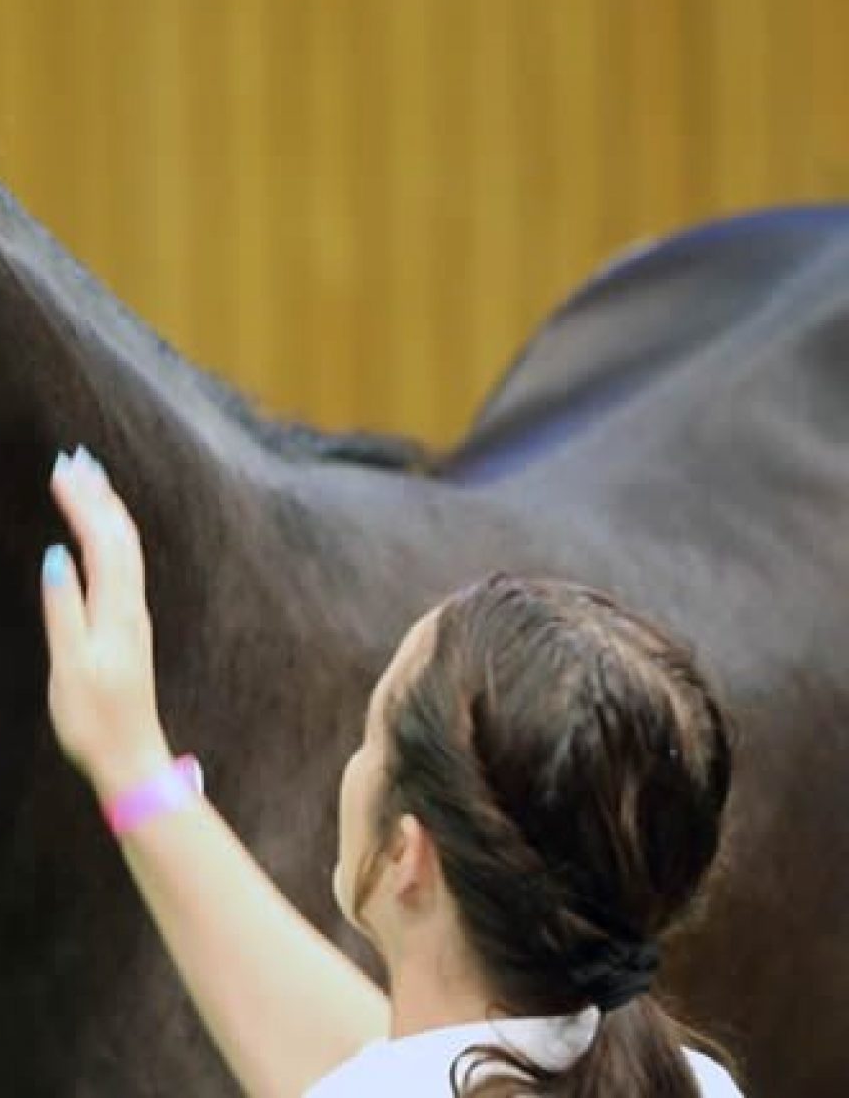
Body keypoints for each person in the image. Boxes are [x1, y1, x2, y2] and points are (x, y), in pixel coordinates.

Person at [40, 446, 745, 1097]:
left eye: (367, 737)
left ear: (408, 855)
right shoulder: (694, 1083)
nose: (356, 763)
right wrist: (132, 764)